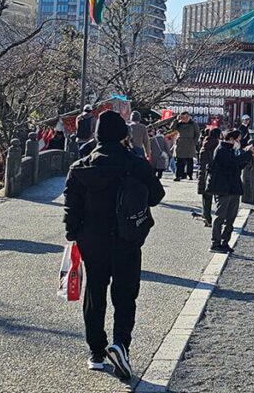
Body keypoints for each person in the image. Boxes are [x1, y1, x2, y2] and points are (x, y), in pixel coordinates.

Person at [63, 111, 165, 381]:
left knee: (95, 293)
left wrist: (73, 234)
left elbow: (71, 207)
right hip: (127, 239)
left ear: (97, 135)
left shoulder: (81, 166)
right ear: (124, 135)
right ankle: (121, 345)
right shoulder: (135, 163)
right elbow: (157, 196)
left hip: (92, 240)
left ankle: (96, 352)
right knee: (125, 294)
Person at [207, 128, 254, 252]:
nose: (239, 142)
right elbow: (232, 163)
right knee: (220, 216)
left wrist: (247, 157)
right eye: (237, 139)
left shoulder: (232, 150)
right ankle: (215, 243)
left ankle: (225, 242)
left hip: (233, 188)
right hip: (223, 188)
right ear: (231, 139)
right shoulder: (221, 150)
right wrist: (247, 153)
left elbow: (237, 166)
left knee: (231, 218)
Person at [197, 127, 221, 227]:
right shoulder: (217, 146)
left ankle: (207, 217)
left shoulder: (204, 144)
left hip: (203, 172)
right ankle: (219, 219)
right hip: (214, 173)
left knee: (206, 197)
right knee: (219, 197)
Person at [169, 112, 198, 182]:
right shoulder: (179, 124)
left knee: (189, 160)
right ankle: (178, 175)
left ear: (188, 117)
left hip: (189, 143)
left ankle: (189, 174)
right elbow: (172, 128)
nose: (183, 119)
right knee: (179, 161)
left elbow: (197, 133)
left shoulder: (193, 124)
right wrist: (176, 120)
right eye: (182, 117)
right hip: (180, 143)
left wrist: (194, 142)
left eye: (185, 117)